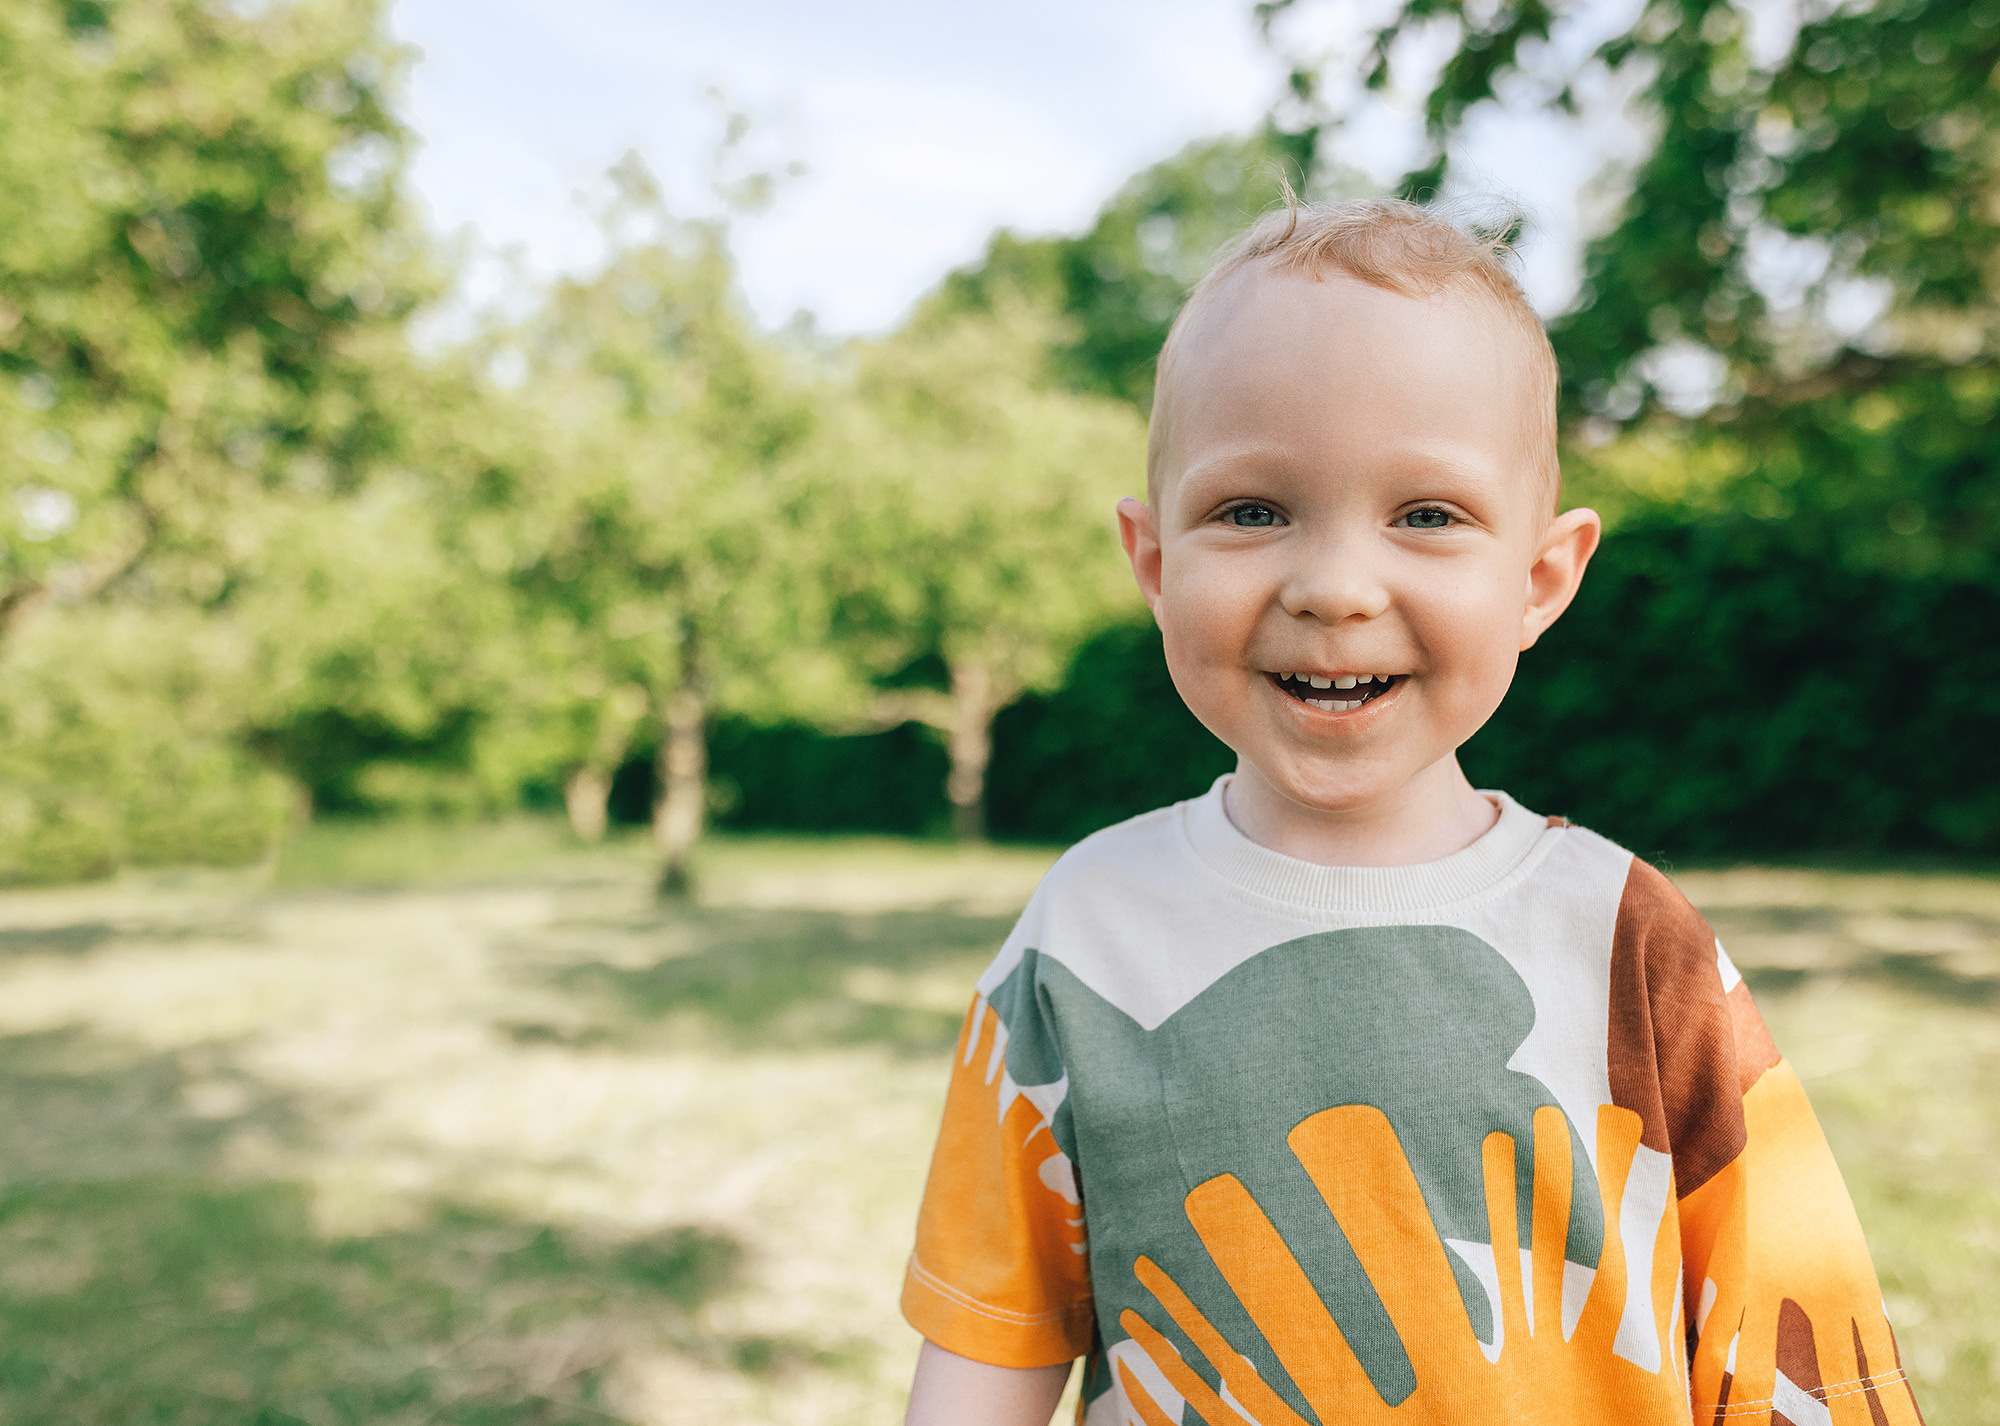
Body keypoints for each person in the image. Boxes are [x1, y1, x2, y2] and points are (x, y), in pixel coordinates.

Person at [897, 197, 1925, 1426]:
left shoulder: (1626, 940)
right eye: (1251, 511)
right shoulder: (1083, 936)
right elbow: (989, 1345)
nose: (1333, 587)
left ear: (1540, 578)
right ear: (1156, 563)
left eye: (1425, 516)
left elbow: (1798, 1348)